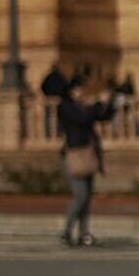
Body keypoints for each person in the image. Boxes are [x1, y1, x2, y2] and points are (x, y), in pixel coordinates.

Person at [55, 70, 119, 246]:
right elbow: (82, 119)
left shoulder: (84, 106)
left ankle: (84, 233)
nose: (82, 92)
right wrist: (99, 103)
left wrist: (110, 103)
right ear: (71, 91)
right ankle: (66, 231)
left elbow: (102, 116)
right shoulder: (66, 107)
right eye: (79, 89)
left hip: (89, 154)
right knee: (80, 196)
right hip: (74, 155)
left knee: (87, 197)